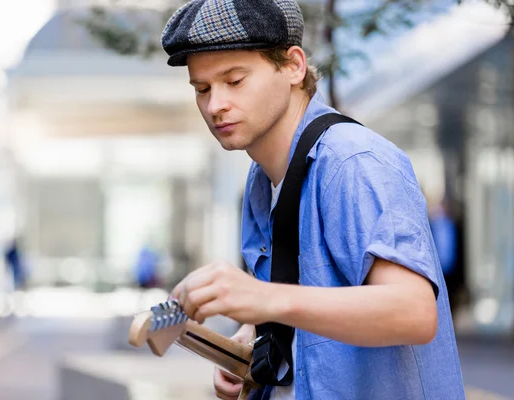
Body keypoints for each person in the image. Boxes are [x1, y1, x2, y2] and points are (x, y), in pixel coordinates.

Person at [161, 1, 465, 399]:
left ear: (293, 66)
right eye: (202, 89)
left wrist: (265, 298)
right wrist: (252, 343)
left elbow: (414, 312)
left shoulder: (353, 163)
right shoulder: (262, 178)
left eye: (234, 81)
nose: (215, 104)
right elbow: (305, 296)